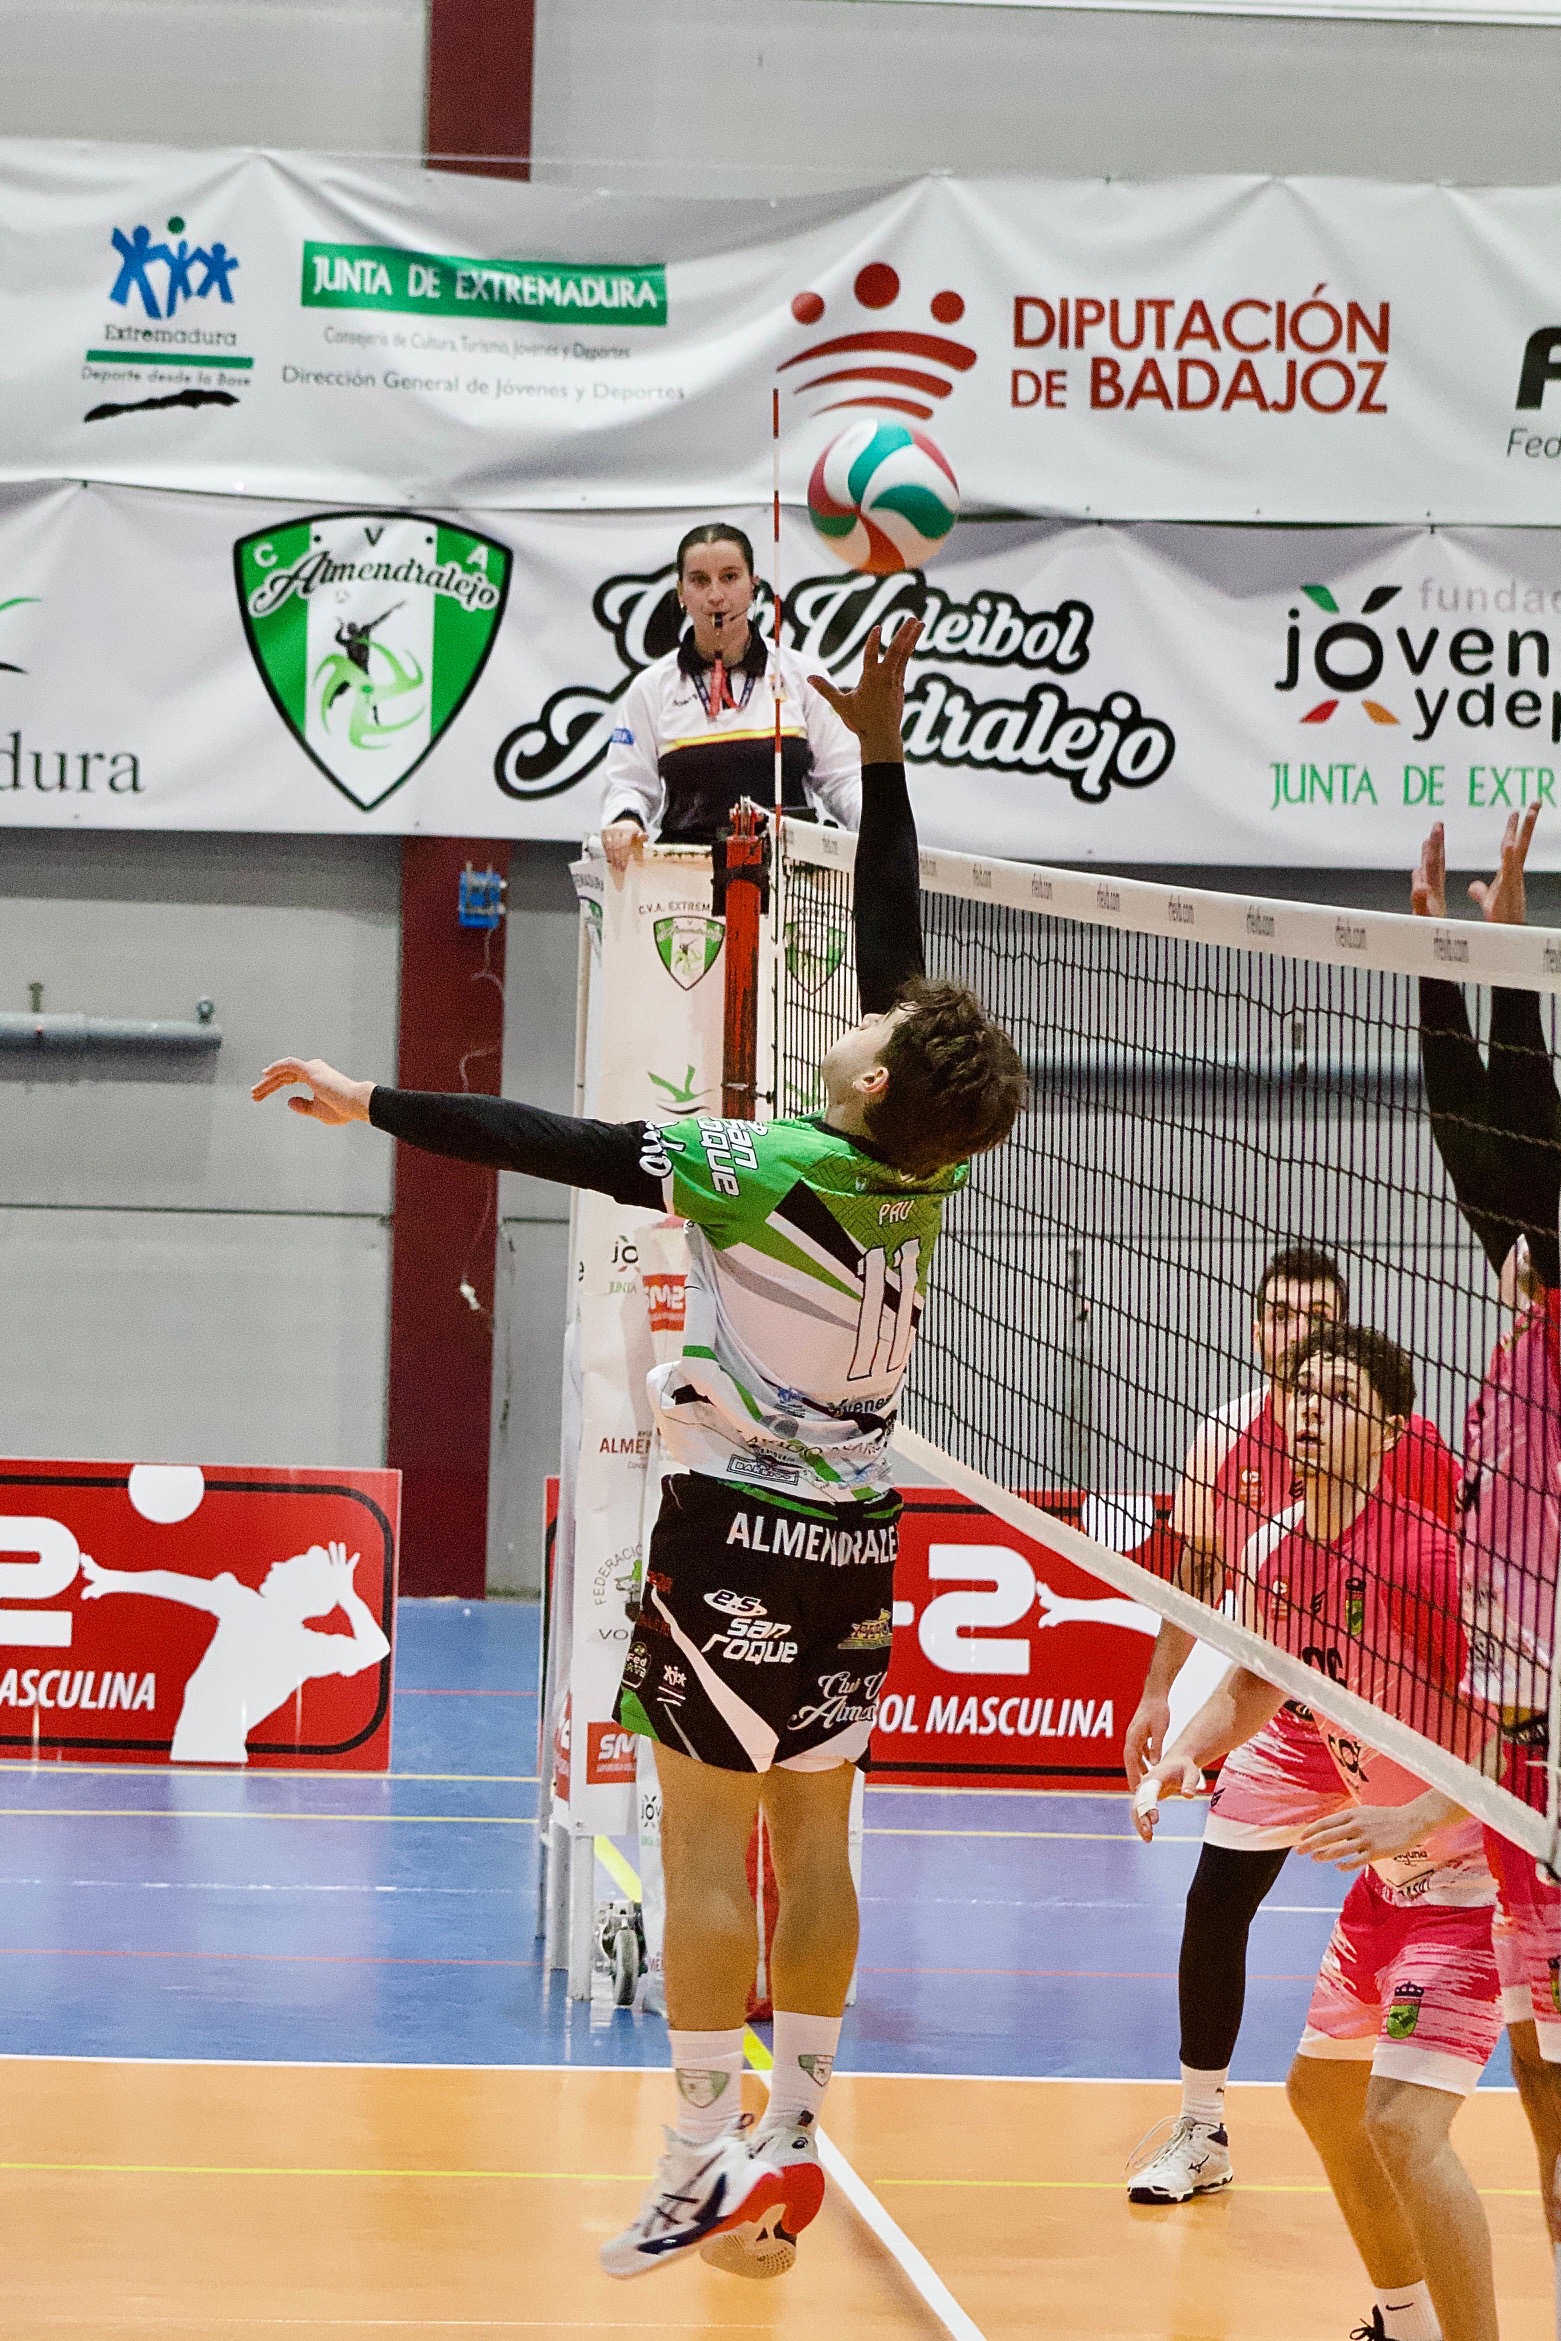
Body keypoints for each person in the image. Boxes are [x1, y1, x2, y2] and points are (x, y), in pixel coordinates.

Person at [250, 617, 1026, 2282]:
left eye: (874, 1036)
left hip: (735, 1533)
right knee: (815, 1840)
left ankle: (691, 2156)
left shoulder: (757, 1163)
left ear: (872, 1080)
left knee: (700, 1848)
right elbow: (901, 960)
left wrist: (372, 1101)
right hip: (860, 1543)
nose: (862, 1023)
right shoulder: (928, 1171)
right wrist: (884, 759)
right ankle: (794, 2132)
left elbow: (558, 1139)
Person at [1137, 1324, 1501, 2341]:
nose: (1309, 1409)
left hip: (1477, 1891)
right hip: (1388, 1889)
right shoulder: (1274, 1546)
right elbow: (1256, 1682)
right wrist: (1187, 1754)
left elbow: (1514, 1733)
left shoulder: (1428, 1560)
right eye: (1302, 1390)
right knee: (1321, 2098)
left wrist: (1413, 1813)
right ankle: (1404, 2323)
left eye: (1340, 1397)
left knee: (1402, 2125)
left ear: (1389, 1429)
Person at [1123, 1249, 1458, 2204]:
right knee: (1214, 1898)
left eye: (1315, 1316)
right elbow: (1200, 1577)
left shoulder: (1411, 1448)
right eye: (1279, 1314)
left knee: (1453, 1893)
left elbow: (1449, 1599)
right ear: (1256, 1326)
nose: (1294, 1331)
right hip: (1289, 1703)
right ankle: (1200, 2128)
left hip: (1399, 1723)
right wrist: (1164, 1705)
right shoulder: (1228, 1440)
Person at [1413, 806, 1561, 2265]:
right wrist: (1449, 956)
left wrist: (1488, 957)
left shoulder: (1548, 1306)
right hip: (1522, 1721)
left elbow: (1510, 1128)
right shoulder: (1526, 1317)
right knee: (1540, 2030)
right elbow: (1483, 1140)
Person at [598, 523, 860, 872]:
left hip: (790, 878)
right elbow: (629, 784)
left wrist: (877, 825)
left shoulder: (802, 675)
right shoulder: (651, 687)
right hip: (685, 876)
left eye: (730, 577)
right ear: (681, 592)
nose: (716, 596)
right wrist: (625, 819)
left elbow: (843, 778)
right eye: (699, 580)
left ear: (753, 586)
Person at [79, 1539, 388, 1765]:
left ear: (299, 1590)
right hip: (200, 1749)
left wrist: (346, 1595)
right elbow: (175, 1585)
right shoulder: (296, 1641)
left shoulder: (262, 1619)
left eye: (288, 1566)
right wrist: (115, 1580)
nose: (276, 1565)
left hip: (214, 1755)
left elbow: (377, 1649)